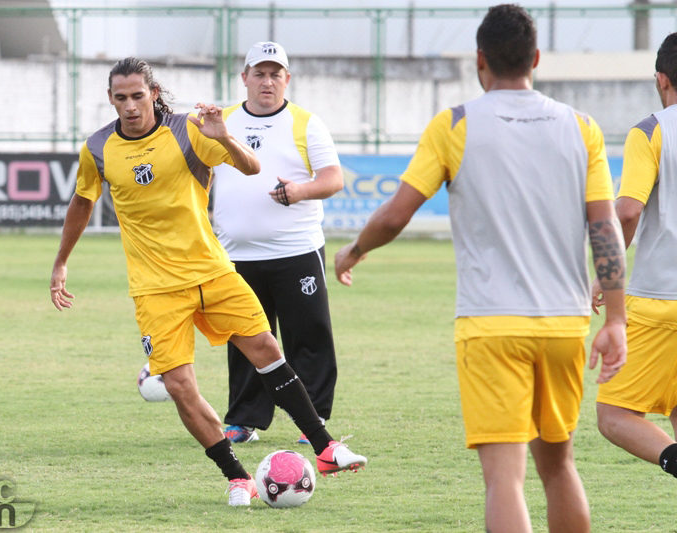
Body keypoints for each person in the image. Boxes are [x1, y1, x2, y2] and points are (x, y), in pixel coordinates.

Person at [334, 5, 626, 533]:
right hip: (564, 324)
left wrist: (353, 251)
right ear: (536, 59)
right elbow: (606, 230)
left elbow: (396, 214)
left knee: (505, 481)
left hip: (491, 325)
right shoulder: (581, 127)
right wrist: (618, 319)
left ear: (479, 60)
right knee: (560, 468)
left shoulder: (455, 124)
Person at [49, 57, 366, 507]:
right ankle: (237, 477)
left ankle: (326, 448)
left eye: (138, 96)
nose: (131, 106)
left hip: (213, 272)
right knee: (180, 386)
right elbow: (82, 201)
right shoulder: (98, 147)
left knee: (267, 350)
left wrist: (225, 137)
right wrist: (61, 262)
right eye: (121, 98)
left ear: (153, 93)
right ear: (110, 99)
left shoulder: (189, 130)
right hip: (155, 288)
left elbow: (251, 167)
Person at [211, 41, 343, 445]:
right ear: (244, 78)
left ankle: (314, 419)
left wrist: (300, 191)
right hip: (236, 255)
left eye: (275, 74)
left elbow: (333, 178)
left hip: (296, 251)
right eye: (259, 73)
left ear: (287, 79)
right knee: (246, 338)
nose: (267, 81)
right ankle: (243, 420)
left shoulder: (306, 123)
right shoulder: (223, 122)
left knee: (309, 336)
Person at [593, 32, 677, 481]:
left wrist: (607, 273)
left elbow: (627, 210)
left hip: (660, 298)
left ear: (661, 79)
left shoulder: (653, 130)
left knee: (614, 415)